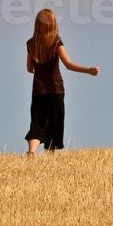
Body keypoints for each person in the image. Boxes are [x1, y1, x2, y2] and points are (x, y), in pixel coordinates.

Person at [24, 9, 100, 155]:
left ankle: (32, 151)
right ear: (53, 24)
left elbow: (29, 68)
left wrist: (39, 72)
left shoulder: (31, 44)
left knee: (37, 123)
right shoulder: (56, 42)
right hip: (55, 90)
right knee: (54, 124)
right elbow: (68, 64)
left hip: (38, 91)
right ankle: (50, 157)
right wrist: (88, 70)